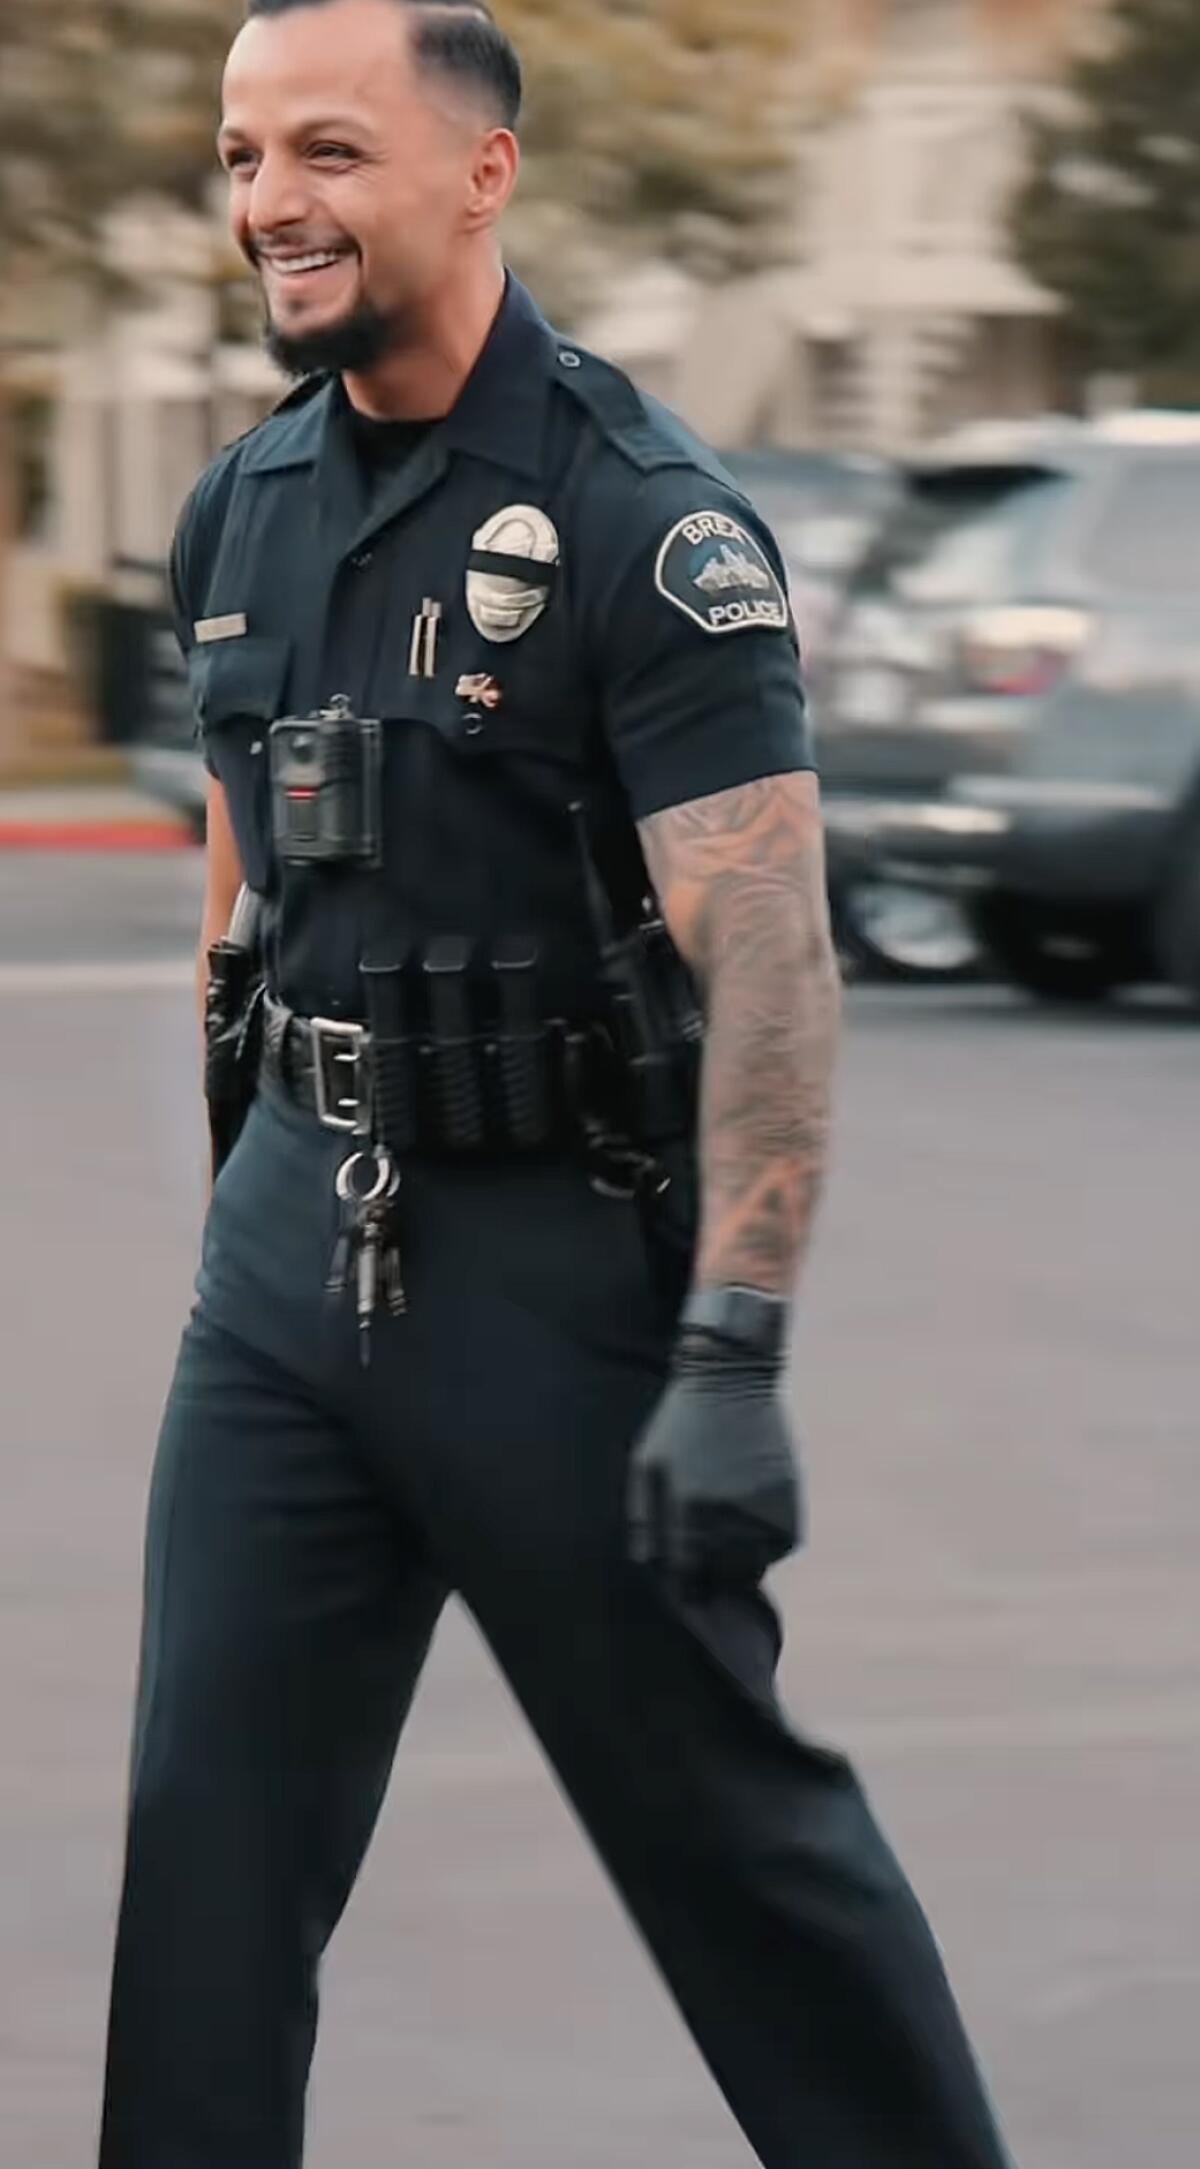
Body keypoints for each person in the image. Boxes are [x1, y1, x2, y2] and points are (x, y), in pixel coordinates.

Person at [98, 4, 1015, 2166]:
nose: (267, 205)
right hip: (291, 1272)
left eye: (325, 151)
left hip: (561, 1285)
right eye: (239, 157)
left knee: (733, 1844)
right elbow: (242, 909)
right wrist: (251, 1224)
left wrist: (734, 1344)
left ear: (480, 173)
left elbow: (770, 951)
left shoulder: (637, 515)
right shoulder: (242, 505)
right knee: (202, 1841)